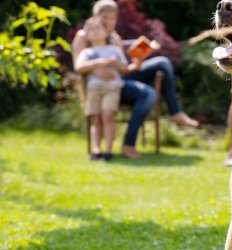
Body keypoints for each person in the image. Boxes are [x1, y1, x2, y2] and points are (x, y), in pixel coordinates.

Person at [72, 0, 199, 159]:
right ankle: (127, 145)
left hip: (118, 80)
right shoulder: (83, 36)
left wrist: (140, 58)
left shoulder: (114, 38)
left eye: (113, 18)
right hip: (98, 87)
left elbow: (125, 69)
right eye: (105, 17)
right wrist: (97, 70)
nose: (109, 22)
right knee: (148, 94)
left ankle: (175, 112)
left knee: (163, 63)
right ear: (95, 16)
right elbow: (78, 65)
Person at [75, 17, 132, 161]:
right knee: (96, 118)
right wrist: (98, 63)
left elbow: (125, 68)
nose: (94, 32)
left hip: (112, 88)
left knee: (108, 115)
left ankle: (108, 150)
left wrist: (115, 63)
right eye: (90, 30)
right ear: (86, 35)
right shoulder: (86, 53)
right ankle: (96, 150)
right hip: (94, 88)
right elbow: (79, 67)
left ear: (106, 32)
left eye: (97, 28)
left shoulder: (114, 50)